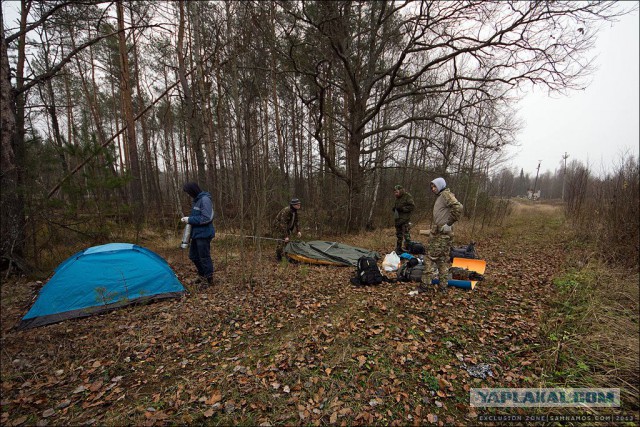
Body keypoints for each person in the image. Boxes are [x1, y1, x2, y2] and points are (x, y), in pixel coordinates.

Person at [417, 177, 463, 293]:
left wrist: (449, 223)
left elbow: (458, 207)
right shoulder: (442, 196)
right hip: (441, 233)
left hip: (442, 235)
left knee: (429, 258)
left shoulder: (445, 195)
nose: (433, 189)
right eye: (431, 187)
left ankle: (425, 286)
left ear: (440, 185)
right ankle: (443, 287)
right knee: (442, 260)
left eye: (435, 186)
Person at [181, 182, 215, 285]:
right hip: (196, 234)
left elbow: (206, 218)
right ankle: (202, 276)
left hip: (204, 234)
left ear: (193, 190)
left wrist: (189, 219)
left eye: (188, 192)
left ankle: (209, 280)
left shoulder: (205, 200)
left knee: (204, 257)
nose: (188, 195)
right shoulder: (196, 201)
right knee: (193, 256)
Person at [392, 184, 415, 254]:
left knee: (406, 235)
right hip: (398, 219)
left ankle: (409, 249)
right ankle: (399, 248)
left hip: (405, 220)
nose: (395, 194)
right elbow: (397, 207)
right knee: (399, 235)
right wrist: (394, 209)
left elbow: (412, 207)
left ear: (401, 191)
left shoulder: (407, 197)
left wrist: (402, 209)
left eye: (397, 192)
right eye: (394, 192)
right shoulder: (397, 198)